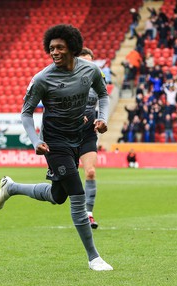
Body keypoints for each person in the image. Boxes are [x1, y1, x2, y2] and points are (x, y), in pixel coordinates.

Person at [0, 24, 113, 271]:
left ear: (72, 47)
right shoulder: (42, 79)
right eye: (51, 48)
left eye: (59, 47)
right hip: (55, 142)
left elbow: (103, 95)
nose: (54, 52)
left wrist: (102, 118)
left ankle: (12, 187)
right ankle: (94, 258)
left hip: (79, 136)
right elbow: (26, 113)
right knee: (77, 195)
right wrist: (36, 141)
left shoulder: (90, 70)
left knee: (59, 196)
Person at [77, 47, 103, 229]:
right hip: (67, 133)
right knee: (59, 189)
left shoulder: (98, 77)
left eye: (90, 62)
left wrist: (102, 118)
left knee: (91, 172)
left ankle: (88, 214)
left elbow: (104, 98)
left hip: (88, 133)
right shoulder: (67, 78)